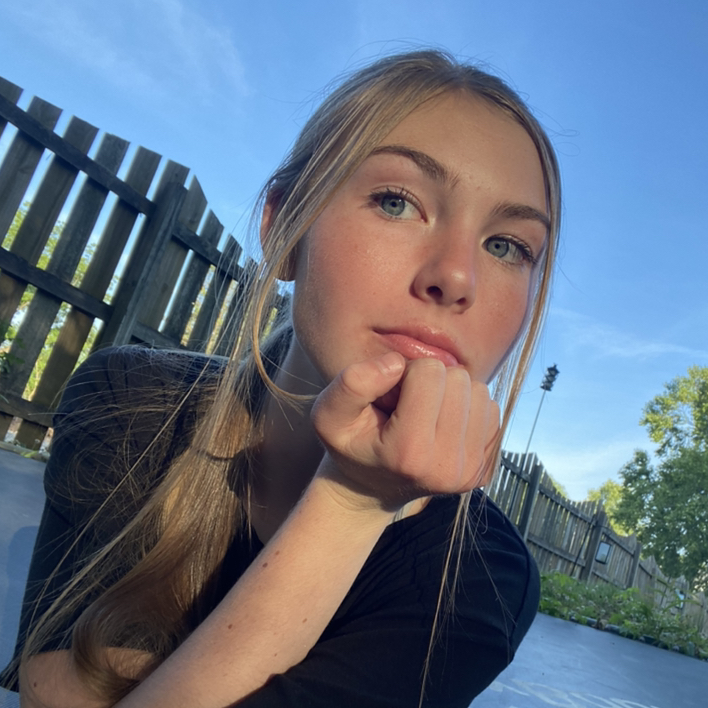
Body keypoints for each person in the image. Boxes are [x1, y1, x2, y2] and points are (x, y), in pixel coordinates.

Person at [1, 49, 560, 707]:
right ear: (286, 228)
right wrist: (353, 500)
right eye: (396, 202)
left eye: (506, 246)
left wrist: (357, 499)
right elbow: (50, 686)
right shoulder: (135, 403)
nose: (458, 276)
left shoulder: (481, 577)